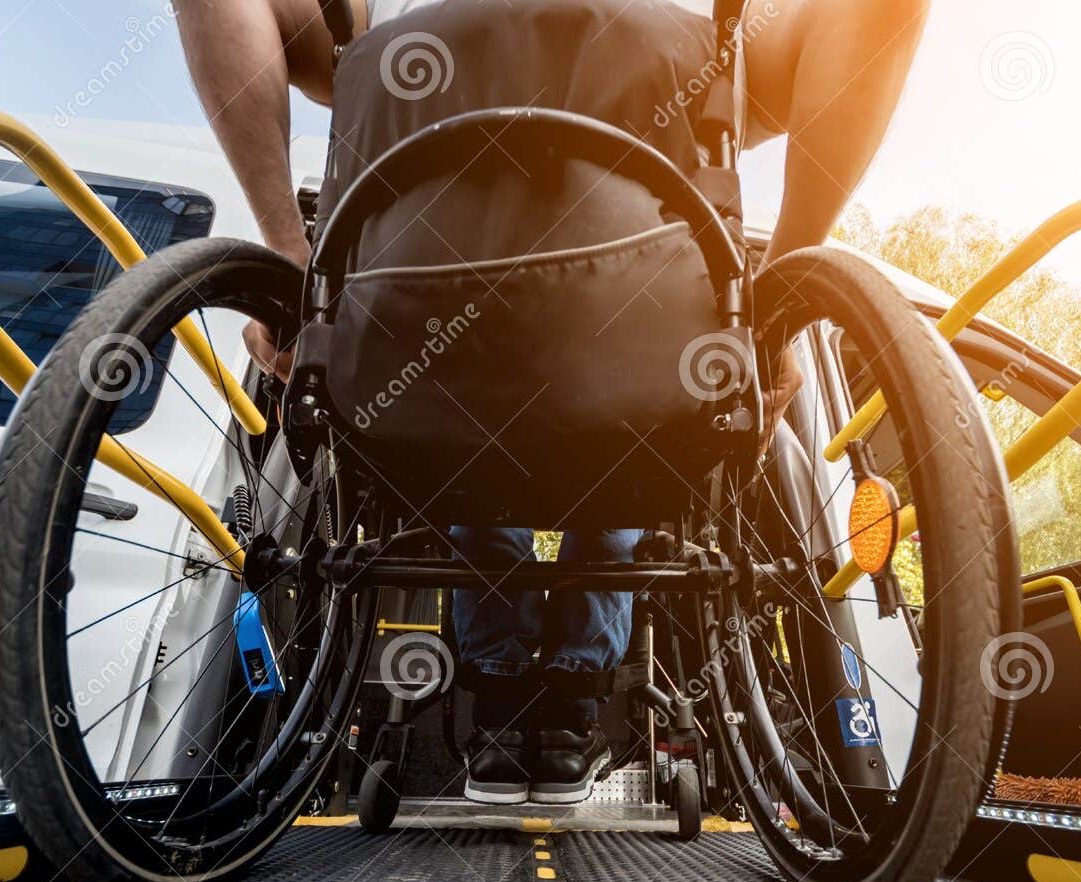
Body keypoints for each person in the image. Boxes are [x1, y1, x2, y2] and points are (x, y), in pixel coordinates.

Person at [177, 0, 928, 803]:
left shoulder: (391, 37)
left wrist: (291, 263)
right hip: (636, 384)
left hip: (426, 389)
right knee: (630, 426)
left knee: (473, 426)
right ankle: (569, 694)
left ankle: (503, 699)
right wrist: (779, 299)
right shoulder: (702, 48)